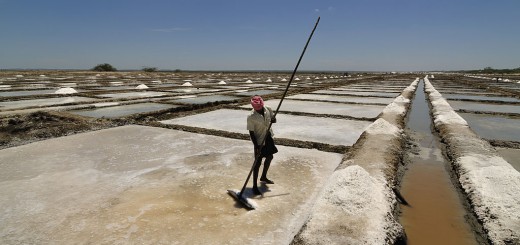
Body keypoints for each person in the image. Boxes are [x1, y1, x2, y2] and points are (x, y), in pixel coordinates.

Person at [247, 95, 278, 195]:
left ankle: (263, 176)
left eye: (260, 107)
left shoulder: (268, 109)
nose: (259, 109)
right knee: (257, 164)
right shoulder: (251, 116)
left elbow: (274, 119)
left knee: (270, 156)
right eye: (257, 108)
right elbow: (251, 133)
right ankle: (255, 186)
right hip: (259, 140)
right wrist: (256, 146)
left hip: (268, 137)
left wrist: (273, 120)